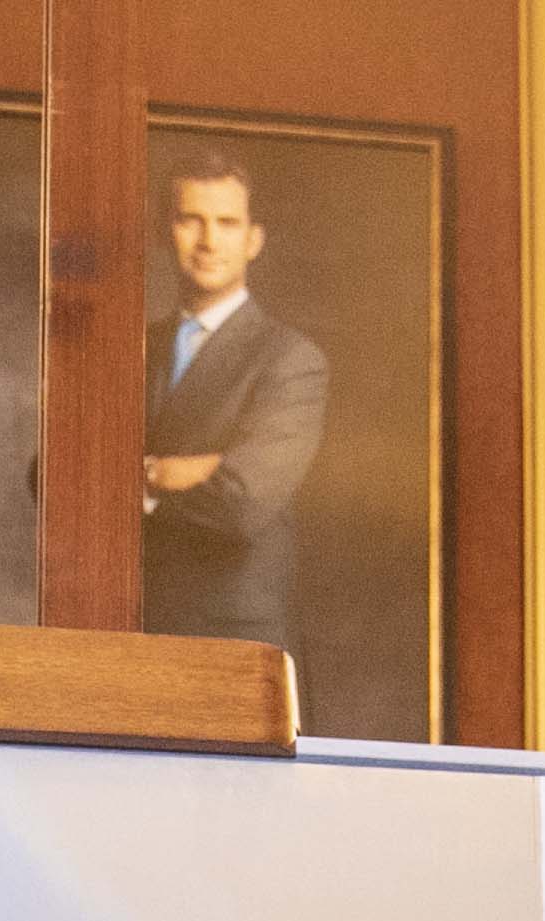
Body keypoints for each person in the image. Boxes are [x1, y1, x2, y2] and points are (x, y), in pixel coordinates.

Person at [141, 150, 327, 652]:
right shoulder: (133, 348)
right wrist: (169, 471)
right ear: (166, 232)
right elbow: (47, 473)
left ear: (253, 240)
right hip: (129, 626)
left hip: (231, 638)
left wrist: (140, 483)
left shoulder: (289, 359)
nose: (208, 241)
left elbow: (241, 505)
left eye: (226, 223)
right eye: (190, 220)